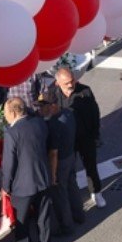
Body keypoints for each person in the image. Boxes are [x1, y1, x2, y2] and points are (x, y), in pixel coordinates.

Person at [0, 98, 53, 242]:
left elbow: (9, 163)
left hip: (22, 187)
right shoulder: (39, 123)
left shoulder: (11, 132)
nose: (5, 116)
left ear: (13, 112)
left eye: (5, 113)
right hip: (43, 179)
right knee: (43, 217)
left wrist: (5, 186)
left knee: (21, 222)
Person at [54, 65, 104, 211]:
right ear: (58, 83)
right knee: (69, 169)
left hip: (86, 137)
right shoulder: (53, 96)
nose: (70, 85)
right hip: (66, 141)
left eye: (72, 81)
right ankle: (74, 196)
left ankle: (96, 192)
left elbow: (95, 113)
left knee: (91, 165)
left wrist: (95, 134)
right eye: (66, 83)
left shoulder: (85, 91)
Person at [37, 92, 83, 233]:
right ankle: (79, 215)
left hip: (60, 161)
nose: (40, 109)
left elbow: (53, 153)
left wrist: (53, 175)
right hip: (70, 156)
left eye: (42, 106)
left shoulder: (53, 124)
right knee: (72, 185)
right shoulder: (68, 114)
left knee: (60, 193)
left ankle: (66, 225)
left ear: (52, 106)